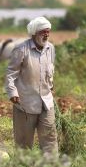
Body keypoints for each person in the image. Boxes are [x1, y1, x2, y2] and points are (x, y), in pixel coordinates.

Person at [4, 16, 58, 156]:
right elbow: (11, 73)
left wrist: (51, 86)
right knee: (24, 143)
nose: (46, 35)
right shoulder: (21, 49)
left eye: (48, 32)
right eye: (42, 32)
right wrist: (12, 93)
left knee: (50, 140)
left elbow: (50, 70)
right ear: (34, 33)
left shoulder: (50, 48)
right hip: (25, 104)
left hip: (46, 102)